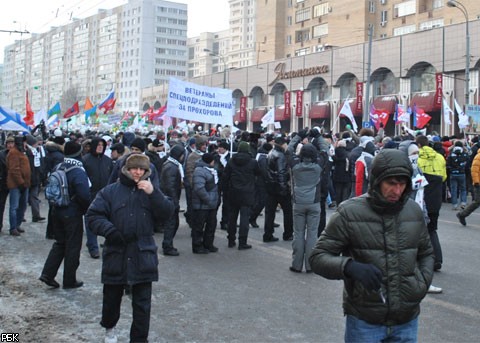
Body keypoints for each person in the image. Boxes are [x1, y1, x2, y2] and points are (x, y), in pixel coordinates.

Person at [309, 149, 434, 342]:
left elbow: (426, 253)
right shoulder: (349, 212)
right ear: (377, 181)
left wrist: (421, 284)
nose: (397, 191)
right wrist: (349, 267)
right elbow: (318, 257)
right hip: (365, 321)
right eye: (391, 184)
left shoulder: (413, 211)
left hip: (407, 320)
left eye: (402, 184)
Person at [86, 154, 173, 343]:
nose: (138, 172)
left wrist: (154, 193)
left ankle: (139, 339)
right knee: (112, 298)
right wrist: (110, 231)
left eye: (142, 169)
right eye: (134, 168)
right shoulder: (110, 192)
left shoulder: (151, 191)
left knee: (142, 303)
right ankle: (110, 328)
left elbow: (167, 213)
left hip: (143, 253)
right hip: (116, 252)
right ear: (126, 169)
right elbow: (93, 216)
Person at [39, 141, 90, 289]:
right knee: (73, 246)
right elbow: (84, 194)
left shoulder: (59, 166)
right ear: (79, 152)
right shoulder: (78, 170)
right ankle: (69, 280)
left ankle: (47, 273)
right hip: (72, 212)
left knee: (60, 243)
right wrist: (86, 210)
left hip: (56, 210)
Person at [288, 143, 321, 273]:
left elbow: (289, 149)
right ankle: (310, 265)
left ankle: (296, 264)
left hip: (298, 202)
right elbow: (324, 149)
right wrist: (317, 136)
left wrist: (298, 137)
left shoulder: (295, 166)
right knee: (313, 234)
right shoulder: (318, 166)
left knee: (298, 234)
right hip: (314, 202)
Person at [416, 135, 447, 271]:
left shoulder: (417, 158)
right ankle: (437, 259)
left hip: (421, 198)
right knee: (432, 230)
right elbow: (444, 176)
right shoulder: (440, 157)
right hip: (436, 197)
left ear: (418, 145)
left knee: (417, 231)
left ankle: (421, 260)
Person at [223, 141, 259, 249]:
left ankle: (231, 240)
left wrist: (225, 190)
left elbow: (225, 176)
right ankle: (242, 242)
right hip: (247, 193)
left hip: (233, 192)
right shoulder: (253, 162)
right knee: (244, 218)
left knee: (232, 217)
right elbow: (259, 173)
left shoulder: (231, 161)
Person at [83, 137, 114, 259]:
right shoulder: (85, 160)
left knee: (107, 220)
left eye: (102, 145)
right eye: (98, 145)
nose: (100, 147)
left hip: (105, 195)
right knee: (90, 220)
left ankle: (108, 243)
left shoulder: (107, 161)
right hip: (90, 195)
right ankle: (93, 247)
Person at [263, 136, 293, 242]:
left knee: (269, 213)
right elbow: (281, 173)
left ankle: (267, 234)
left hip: (270, 187)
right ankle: (288, 234)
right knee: (288, 212)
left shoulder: (270, 153)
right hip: (280, 188)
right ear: (283, 144)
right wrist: (284, 188)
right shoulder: (281, 155)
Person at [191, 153, 219, 254]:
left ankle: (208, 244)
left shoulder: (211, 170)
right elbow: (199, 188)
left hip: (210, 204)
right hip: (202, 204)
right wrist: (208, 199)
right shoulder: (199, 171)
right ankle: (197, 246)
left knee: (211, 225)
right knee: (199, 226)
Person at [160, 144, 186, 256]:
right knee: (171, 224)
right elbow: (170, 186)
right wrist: (174, 202)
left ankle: (168, 244)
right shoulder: (171, 167)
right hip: (170, 200)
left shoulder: (172, 165)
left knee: (173, 223)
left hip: (170, 199)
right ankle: (167, 245)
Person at [6, 136, 31, 236]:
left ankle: (17, 224)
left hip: (24, 183)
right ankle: (13, 227)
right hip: (16, 184)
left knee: (22, 205)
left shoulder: (22, 151)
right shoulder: (13, 153)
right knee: (14, 206)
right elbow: (14, 169)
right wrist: (21, 182)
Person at [457, 145, 480, 226]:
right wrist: (476, 182)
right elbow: (474, 170)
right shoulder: (478, 156)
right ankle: (462, 214)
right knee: (477, 202)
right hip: (478, 183)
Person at [25, 134, 45, 222]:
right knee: (24, 198)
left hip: (35, 178)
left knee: (34, 197)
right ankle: (20, 217)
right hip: (28, 178)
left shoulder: (36, 151)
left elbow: (39, 165)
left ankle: (36, 215)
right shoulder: (28, 152)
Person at [447, 141, 468, 210]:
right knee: (463, 189)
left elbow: (447, 164)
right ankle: (463, 202)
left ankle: (454, 204)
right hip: (462, 173)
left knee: (454, 189)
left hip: (453, 173)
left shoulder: (451, 154)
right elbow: (468, 161)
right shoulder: (464, 154)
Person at [0, 136, 15, 232]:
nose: (10, 145)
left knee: (15, 205)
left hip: (14, 183)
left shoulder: (18, 154)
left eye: (12, 143)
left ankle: (15, 225)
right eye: (8, 143)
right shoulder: (2, 154)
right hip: (3, 183)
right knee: (1, 204)